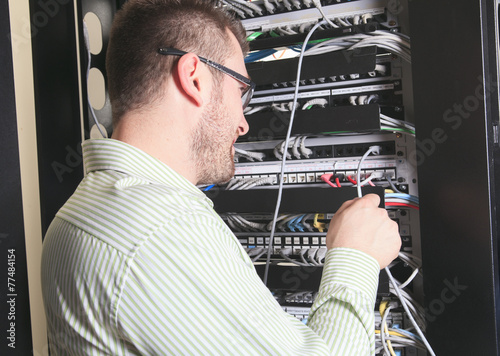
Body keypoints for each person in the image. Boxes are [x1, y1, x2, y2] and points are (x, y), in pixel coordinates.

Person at [40, 0, 401, 354]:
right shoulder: (161, 231)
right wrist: (356, 255)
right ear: (194, 77)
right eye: (240, 90)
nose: (243, 124)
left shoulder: (76, 214)